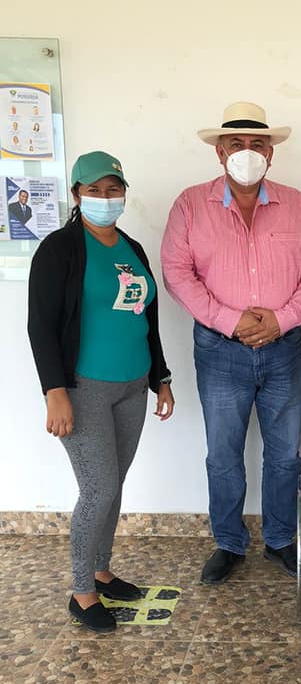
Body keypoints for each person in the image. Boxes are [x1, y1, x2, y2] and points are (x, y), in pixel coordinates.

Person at [161, 101, 301, 585]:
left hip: (284, 347)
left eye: (258, 144)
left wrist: (282, 319)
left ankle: (279, 539)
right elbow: (177, 273)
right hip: (219, 350)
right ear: (219, 151)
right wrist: (231, 321)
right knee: (223, 454)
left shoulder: (297, 205)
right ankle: (229, 542)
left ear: (271, 153)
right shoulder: (190, 205)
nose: (247, 152)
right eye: (236, 144)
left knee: (284, 454)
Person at [27, 150, 175, 633]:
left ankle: (101, 570)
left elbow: (147, 318)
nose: (106, 198)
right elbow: (41, 325)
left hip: (133, 384)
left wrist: (160, 378)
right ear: (77, 194)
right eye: (94, 190)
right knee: (99, 488)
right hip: (83, 387)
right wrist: (54, 391)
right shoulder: (60, 249)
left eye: (114, 189)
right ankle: (81, 591)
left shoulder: (132, 247)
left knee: (115, 482)